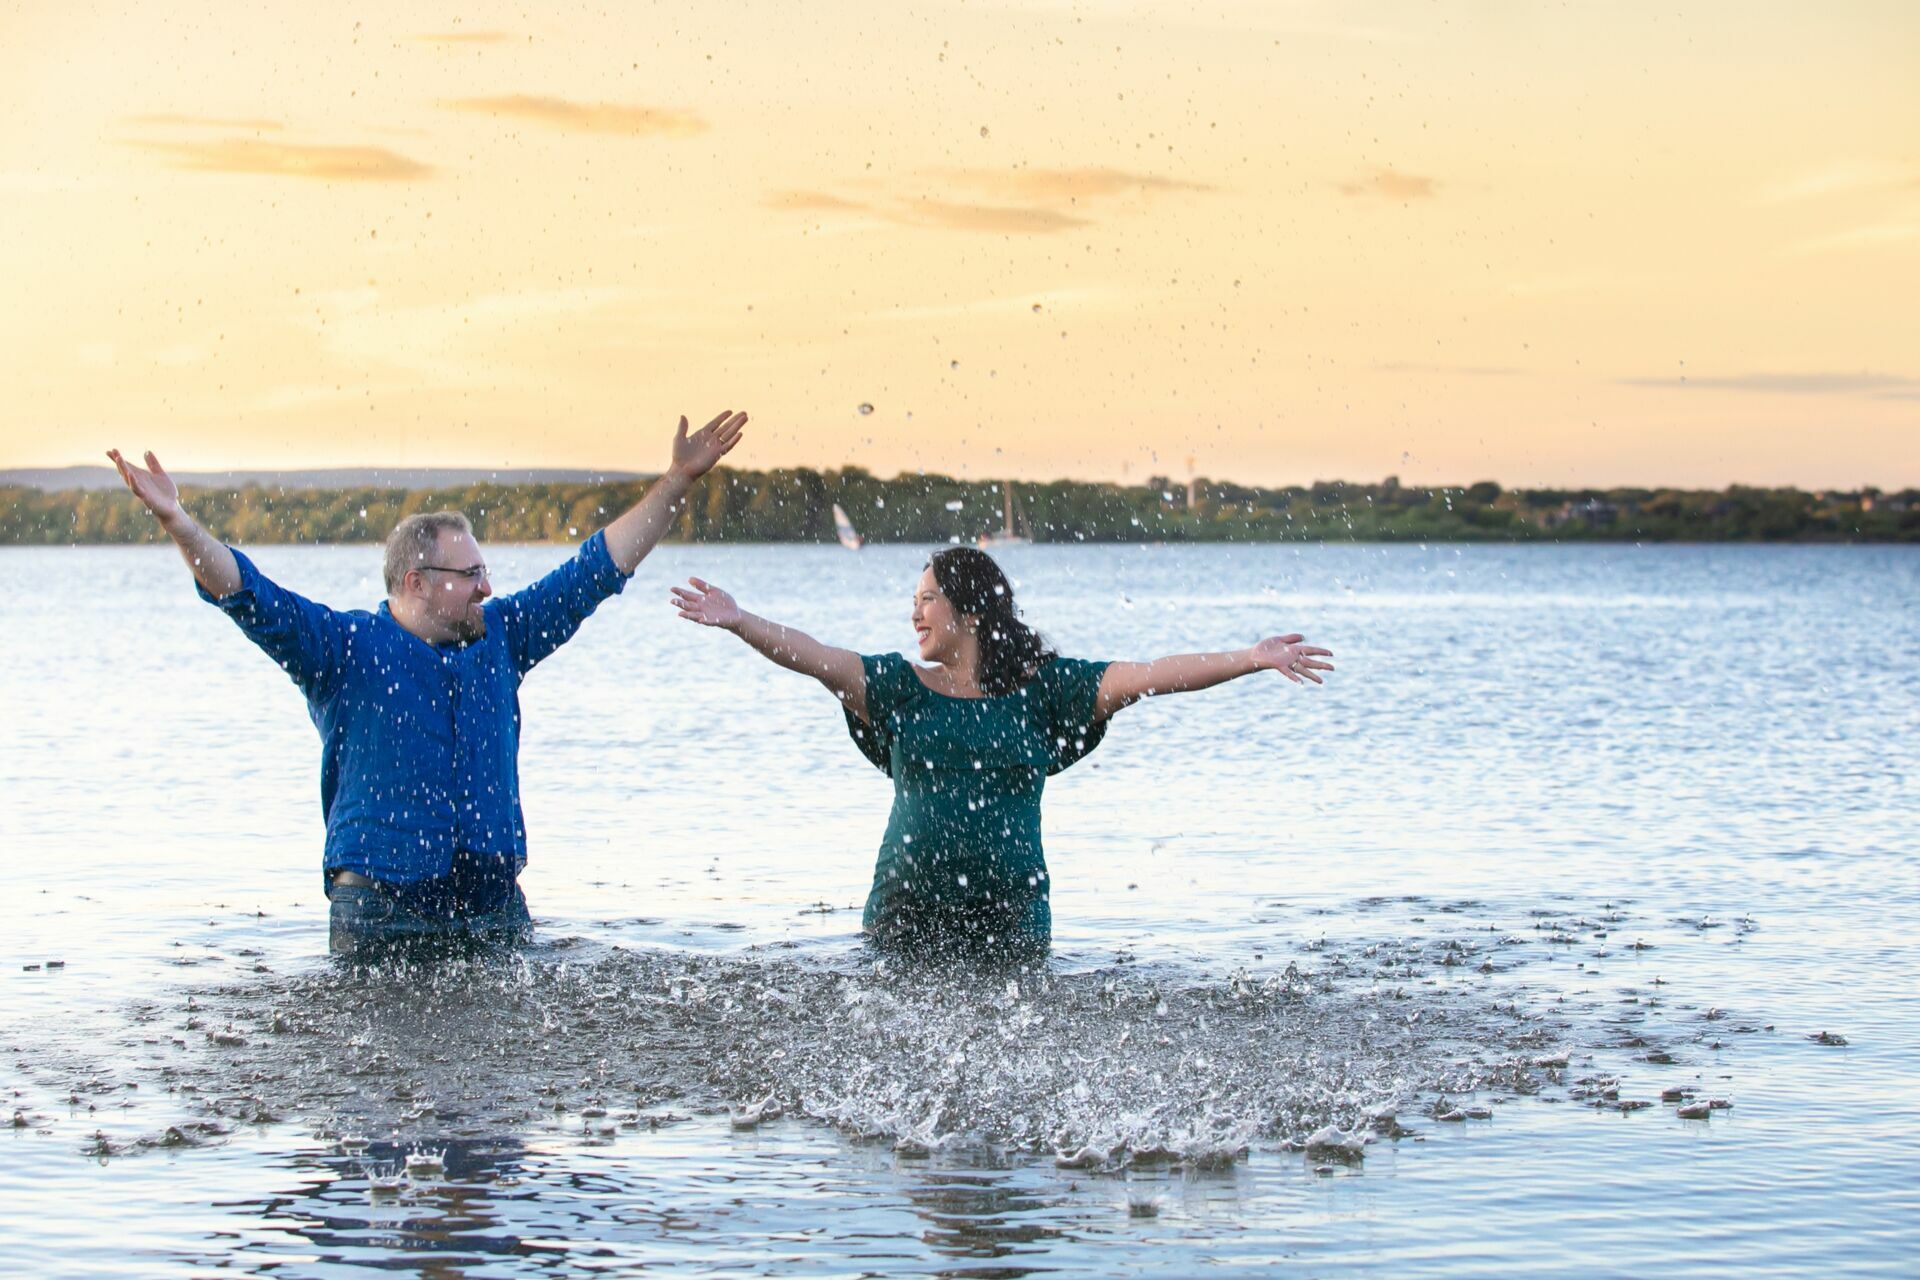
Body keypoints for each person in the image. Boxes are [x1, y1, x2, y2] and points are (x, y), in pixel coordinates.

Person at [107, 410, 748, 955]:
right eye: (469, 574)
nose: (487, 587)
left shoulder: (504, 635)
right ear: (416, 582)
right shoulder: (342, 650)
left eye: (485, 571)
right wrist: (178, 524)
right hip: (383, 912)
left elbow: (597, 568)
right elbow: (245, 591)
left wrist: (675, 482)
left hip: (492, 906)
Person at [671, 546, 1332, 959]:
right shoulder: (898, 689)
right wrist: (739, 620)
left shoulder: (1048, 690)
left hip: (1010, 917)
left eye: (928, 598)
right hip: (906, 914)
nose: (915, 614)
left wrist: (1251, 658)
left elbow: (1153, 673)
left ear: (971, 609)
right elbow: (810, 655)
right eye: (914, 601)